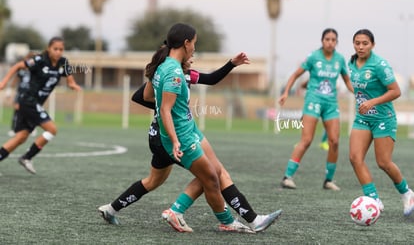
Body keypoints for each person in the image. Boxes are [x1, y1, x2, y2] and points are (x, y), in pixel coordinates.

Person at [98, 54, 281, 233]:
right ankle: (183, 212)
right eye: (190, 53)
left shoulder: (185, 74)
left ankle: (111, 209)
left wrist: (231, 64)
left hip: (158, 138)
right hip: (170, 138)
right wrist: (166, 110)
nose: (192, 58)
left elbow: (210, 79)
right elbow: (140, 96)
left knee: (153, 181)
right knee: (212, 172)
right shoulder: (172, 74)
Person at [348, 29, 414, 215]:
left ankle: (407, 194)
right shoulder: (351, 63)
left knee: (383, 162)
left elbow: (396, 91)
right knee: (354, 157)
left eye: (365, 43)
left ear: (372, 45)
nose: (360, 47)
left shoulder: (380, 65)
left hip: (383, 119)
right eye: (357, 43)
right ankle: (374, 200)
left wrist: (372, 102)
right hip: (363, 119)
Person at [278, 28, 353, 190]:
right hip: (313, 101)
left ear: (337, 43)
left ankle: (329, 180)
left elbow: (348, 81)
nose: (330, 42)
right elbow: (295, 75)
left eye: (333, 40)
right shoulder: (313, 57)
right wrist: (286, 92)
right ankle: (287, 177)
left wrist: (360, 93)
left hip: (331, 104)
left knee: (334, 141)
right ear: (322, 41)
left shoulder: (340, 59)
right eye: (327, 39)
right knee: (306, 140)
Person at [0, 37, 82, 174]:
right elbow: (18, 66)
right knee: (52, 129)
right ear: (49, 48)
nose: (58, 52)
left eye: (61, 49)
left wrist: (73, 85)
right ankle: (27, 157)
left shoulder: (64, 62)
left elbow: (70, 79)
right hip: (28, 101)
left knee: (21, 137)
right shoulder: (40, 60)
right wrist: (4, 82)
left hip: (34, 104)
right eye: (55, 49)